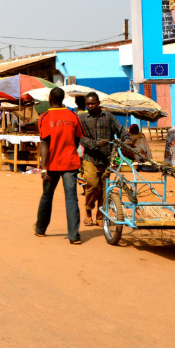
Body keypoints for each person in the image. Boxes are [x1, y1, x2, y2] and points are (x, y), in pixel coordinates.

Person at [34, 87, 85, 244]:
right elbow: (77, 139)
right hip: (70, 163)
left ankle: (40, 229)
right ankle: (74, 236)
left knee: (47, 195)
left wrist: (43, 167)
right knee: (71, 197)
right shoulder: (73, 116)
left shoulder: (45, 117)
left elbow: (44, 143)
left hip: (51, 165)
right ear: (62, 99)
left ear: (50, 98)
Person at [78, 92, 127, 226]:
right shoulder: (82, 118)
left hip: (106, 158)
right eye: (88, 104)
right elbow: (81, 138)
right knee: (93, 185)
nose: (90, 106)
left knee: (105, 190)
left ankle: (100, 217)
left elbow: (120, 129)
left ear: (98, 103)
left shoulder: (108, 116)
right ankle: (88, 211)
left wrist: (126, 139)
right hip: (90, 158)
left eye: (93, 103)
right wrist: (96, 144)